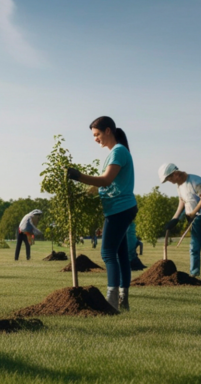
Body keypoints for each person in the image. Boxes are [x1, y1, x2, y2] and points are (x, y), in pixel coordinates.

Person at [67, 116, 137, 311]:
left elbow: (106, 180)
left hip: (119, 209)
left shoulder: (118, 151)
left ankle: (111, 301)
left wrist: (79, 176)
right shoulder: (118, 152)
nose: (95, 139)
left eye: (97, 134)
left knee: (107, 253)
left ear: (108, 131)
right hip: (121, 207)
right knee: (121, 254)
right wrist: (91, 190)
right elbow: (110, 184)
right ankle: (123, 300)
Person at [159, 163, 201, 280]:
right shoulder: (179, 185)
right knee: (194, 246)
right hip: (198, 214)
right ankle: (194, 274)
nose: (169, 181)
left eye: (169, 179)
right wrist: (175, 219)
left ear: (175, 174)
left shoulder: (195, 181)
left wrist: (193, 213)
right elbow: (182, 201)